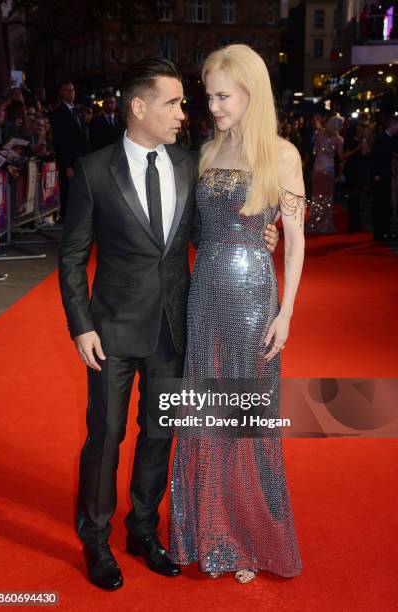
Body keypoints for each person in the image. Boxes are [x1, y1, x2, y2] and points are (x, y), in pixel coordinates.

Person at [58, 55, 282, 591]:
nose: (185, 112)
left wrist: (259, 236)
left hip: (175, 330)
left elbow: (210, 234)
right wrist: (81, 325)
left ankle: (142, 529)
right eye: (173, 102)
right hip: (110, 332)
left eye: (185, 101)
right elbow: (71, 257)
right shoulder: (93, 171)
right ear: (138, 107)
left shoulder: (190, 164)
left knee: (158, 434)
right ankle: (95, 539)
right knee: (106, 435)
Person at [169, 44, 305, 584]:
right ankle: (210, 532)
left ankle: (249, 537)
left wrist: (287, 312)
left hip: (253, 304)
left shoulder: (284, 155)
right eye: (210, 96)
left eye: (223, 96)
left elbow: (294, 242)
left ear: (252, 94)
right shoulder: (205, 152)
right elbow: (199, 232)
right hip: (203, 300)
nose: (214, 106)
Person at [50, 80, 90, 220]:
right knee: (68, 191)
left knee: (81, 191)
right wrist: (67, 165)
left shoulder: (77, 111)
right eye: (67, 90)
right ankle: (68, 219)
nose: (71, 93)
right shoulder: (58, 113)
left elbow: (83, 137)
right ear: (61, 92)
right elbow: (61, 141)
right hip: (69, 160)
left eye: (72, 90)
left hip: (82, 159)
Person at [305, 114, 344, 234]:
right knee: (327, 198)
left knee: (316, 197)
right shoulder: (338, 139)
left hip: (317, 169)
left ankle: (313, 222)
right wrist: (356, 149)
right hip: (328, 170)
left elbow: (315, 151)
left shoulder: (319, 134)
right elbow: (341, 157)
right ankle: (324, 224)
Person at [371, 117, 398, 240]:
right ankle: (379, 232)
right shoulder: (381, 139)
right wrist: (376, 173)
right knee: (379, 204)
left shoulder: (391, 139)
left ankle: (385, 231)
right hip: (380, 176)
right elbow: (375, 157)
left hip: (386, 175)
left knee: (386, 204)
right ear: (392, 125)